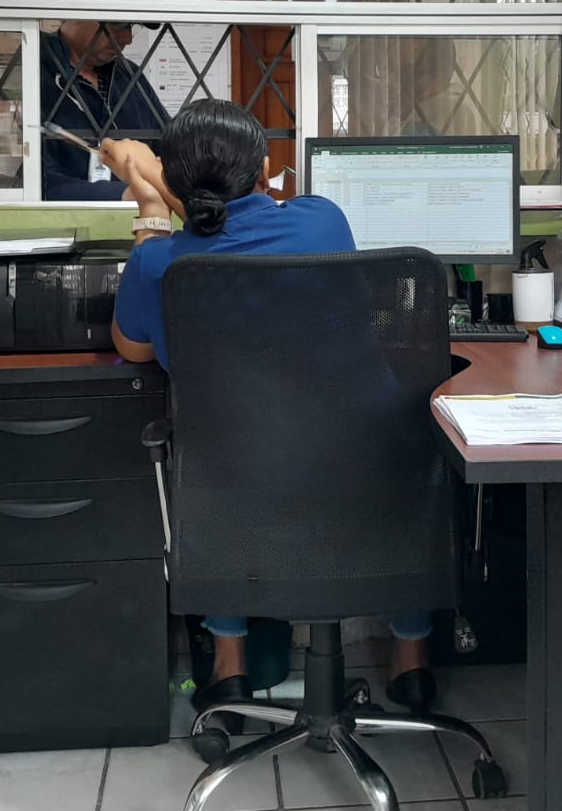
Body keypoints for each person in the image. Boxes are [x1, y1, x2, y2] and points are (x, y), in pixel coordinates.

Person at [101, 100, 441, 717]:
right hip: (364, 472)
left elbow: (132, 347)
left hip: (242, 483)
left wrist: (150, 205)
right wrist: (162, 185)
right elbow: (234, 226)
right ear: (263, 170)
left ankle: (229, 670)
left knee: (220, 463)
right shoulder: (322, 221)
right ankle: (411, 661)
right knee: (405, 451)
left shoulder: (161, 261)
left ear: (176, 182)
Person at [39, 0, 170, 200]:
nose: (127, 38)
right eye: (118, 25)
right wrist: (127, 194)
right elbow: (33, 181)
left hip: (140, 214)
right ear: (75, 12)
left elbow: (170, 148)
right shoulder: (33, 72)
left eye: (132, 26)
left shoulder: (130, 78)